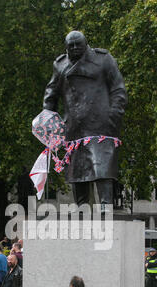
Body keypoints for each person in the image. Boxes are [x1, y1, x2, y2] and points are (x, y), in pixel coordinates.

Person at [43, 30, 127, 211]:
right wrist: (48, 120)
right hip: (74, 127)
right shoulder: (60, 65)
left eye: (77, 44)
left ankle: (106, 206)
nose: (74, 48)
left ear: (85, 43)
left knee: (102, 167)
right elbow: (51, 94)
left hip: (101, 125)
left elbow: (118, 90)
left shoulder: (104, 59)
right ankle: (82, 209)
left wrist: (114, 115)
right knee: (78, 171)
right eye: (70, 45)